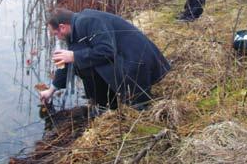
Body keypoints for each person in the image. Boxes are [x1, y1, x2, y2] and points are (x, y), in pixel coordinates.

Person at [39, 8, 170, 110]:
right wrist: (51, 90)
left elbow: (107, 51)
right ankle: (105, 103)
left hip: (139, 63)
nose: (58, 38)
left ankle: (114, 102)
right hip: (129, 60)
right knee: (80, 61)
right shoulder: (76, 27)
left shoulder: (89, 21)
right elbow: (68, 62)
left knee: (82, 62)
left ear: (62, 27)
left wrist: (74, 56)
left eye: (56, 34)